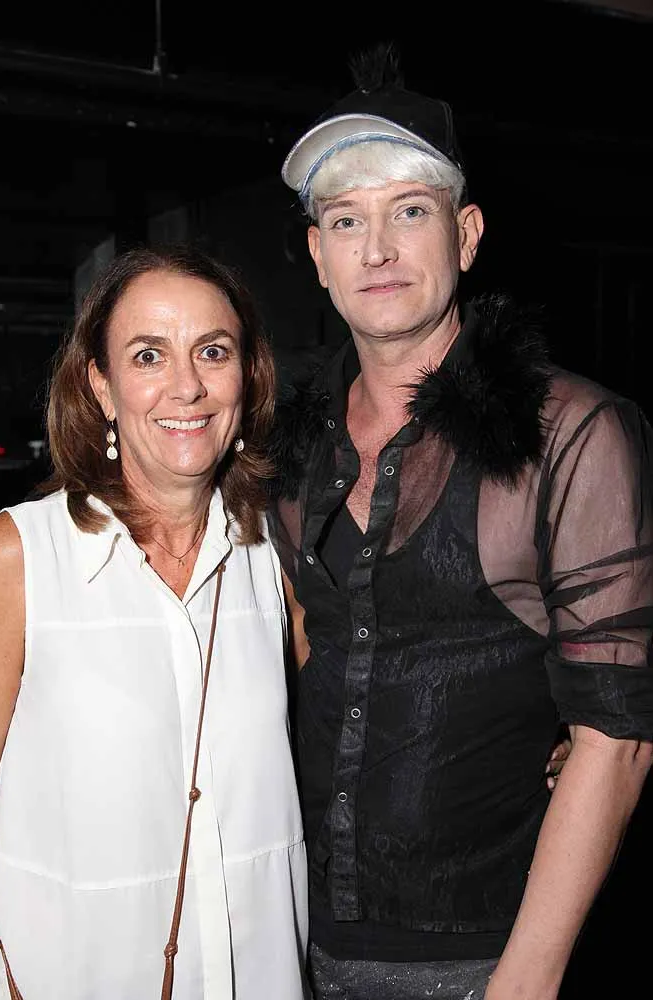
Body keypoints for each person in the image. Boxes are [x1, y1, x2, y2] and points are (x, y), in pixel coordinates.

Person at [269, 51, 653, 1000]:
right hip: (291, 932)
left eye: (409, 211)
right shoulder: (289, 441)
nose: (376, 250)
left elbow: (617, 738)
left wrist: (526, 977)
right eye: (345, 221)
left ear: (466, 234)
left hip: (481, 953)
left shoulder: (571, 431)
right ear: (317, 256)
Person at [0, 247, 308, 999]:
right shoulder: (17, 557)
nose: (186, 386)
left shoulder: (279, 557)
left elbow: (364, 726)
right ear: (100, 384)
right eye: (148, 355)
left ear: (248, 375)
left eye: (213, 352)